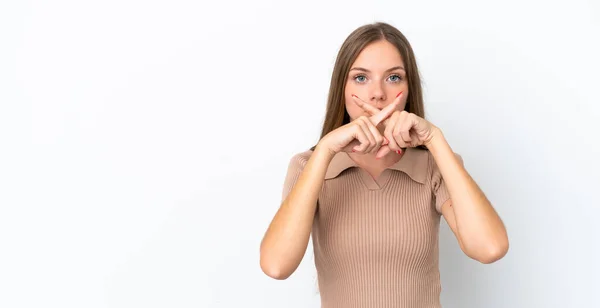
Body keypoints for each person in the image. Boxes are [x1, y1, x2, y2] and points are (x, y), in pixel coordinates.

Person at [259, 21, 509, 307]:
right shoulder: (310, 165)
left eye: (393, 78)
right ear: (341, 86)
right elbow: (276, 266)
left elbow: (490, 247)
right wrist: (326, 149)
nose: (377, 94)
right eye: (361, 78)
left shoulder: (434, 165)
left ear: (408, 86)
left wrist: (435, 139)